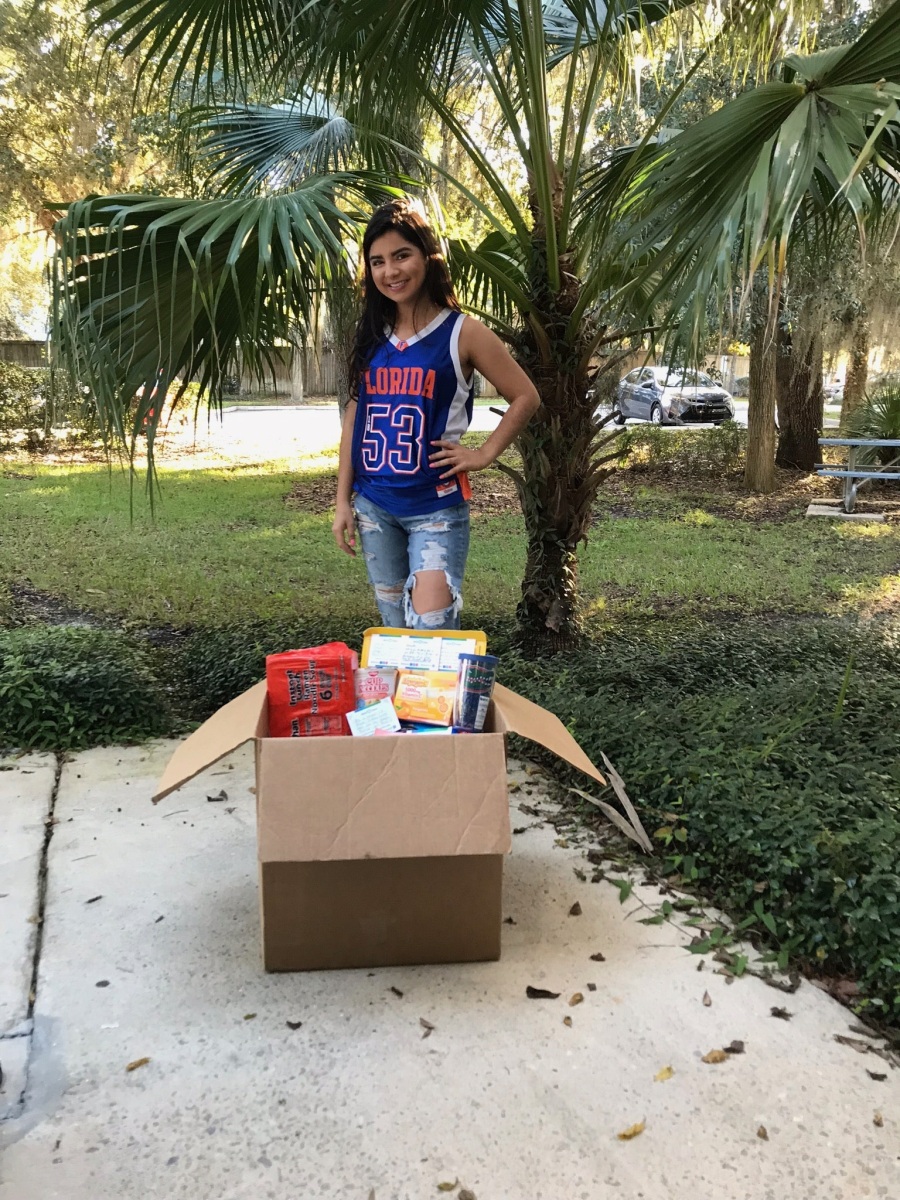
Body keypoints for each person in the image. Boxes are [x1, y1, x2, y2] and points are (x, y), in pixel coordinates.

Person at [332, 199, 540, 630]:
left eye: (401, 255)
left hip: (436, 509)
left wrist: (483, 454)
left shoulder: (463, 332)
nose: (390, 271)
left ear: (427, 257)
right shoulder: (370, 335)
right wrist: (342, 502)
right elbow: (354, 419)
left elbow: (525, 396)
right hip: (374, 506)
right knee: (394, 633)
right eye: (377, 261)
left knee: (433, 632)